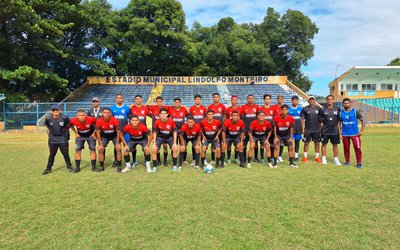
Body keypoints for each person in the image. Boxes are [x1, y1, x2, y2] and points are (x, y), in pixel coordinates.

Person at [42, 104, 73, 175]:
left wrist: (64, 134)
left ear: (60, 110)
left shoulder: (65, 118)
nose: (55, 111)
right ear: (51, 111)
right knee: (52, 154)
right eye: (53, 110)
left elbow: (68, 126)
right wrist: (52, 133)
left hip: (62, 138)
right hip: (52, 139)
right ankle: (48, 168)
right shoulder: (48, 118)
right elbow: (48, 126)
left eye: (57, 110)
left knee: (65, 153)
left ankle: (69, 166)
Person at [95, 108, 122, 172]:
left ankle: (119, 166)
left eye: (108, 113)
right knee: (100, 149)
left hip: (114, 136)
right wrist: (100, 144)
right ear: (102, 113)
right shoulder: (99, 121)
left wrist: (118, 143)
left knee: (118, 148)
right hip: (104, 136)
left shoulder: (115, 120)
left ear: (110, 113)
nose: (106, 114)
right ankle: (101, 166)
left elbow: (118, 132)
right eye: (105, 113)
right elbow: (98, 133)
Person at [340, 98, 365, 168]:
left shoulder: (354, 111)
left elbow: (363, 120)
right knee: (346, 148)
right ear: (343, 104)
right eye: (344, 103)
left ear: (350, 103)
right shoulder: (341, 112)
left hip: (355, 134)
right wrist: (340, 133)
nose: (346, 104)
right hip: (345, 134)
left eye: (347, 103)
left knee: (357, 148)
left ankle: (359, 162)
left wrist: (362, 130)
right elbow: (339, 123)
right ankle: (347, 161)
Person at [152, 108, 178, 172]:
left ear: (167, 114)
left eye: (165, 113)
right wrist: (154, 143)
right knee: (154, 149)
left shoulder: (171, 121)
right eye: (162, 113)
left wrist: (175, 143)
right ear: (159, 115)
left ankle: (174, 165)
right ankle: (154, 166)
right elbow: (154, 132)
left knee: (175, 148)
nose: (163, 115)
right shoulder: (157, 122)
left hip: (169, 138)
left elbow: (175, 132)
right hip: (160, 138)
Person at [148, 96, 171, 166]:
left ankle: (165, 160)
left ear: (162, 102)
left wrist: (185, 107)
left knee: (165, 146)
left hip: (164, 130)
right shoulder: (152, 107)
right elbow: (144, 106)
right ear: (156, 102)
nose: (159, 103)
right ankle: (158, 161)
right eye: (157, 101)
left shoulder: (166, 108)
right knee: (156, 147)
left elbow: (175, 106)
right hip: (155, 131)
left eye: (160, 101)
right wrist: (132, 105)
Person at [319, 95, 342, 166]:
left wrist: (340, 132)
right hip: (325, 131)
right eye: (328, 99)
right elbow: (319, 120)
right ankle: (323, 158)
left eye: (331, 99)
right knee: (324, 144)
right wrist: (320, 129)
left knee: (335, 145)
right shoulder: (322, 109)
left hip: (334, 131)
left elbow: (339, 122)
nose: (329, 100)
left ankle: (336, 159)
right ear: (326, 100)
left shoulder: (337, 109)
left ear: (333, 100)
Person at [110, 94, 131, 168]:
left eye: (120, 98)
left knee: (127, 146)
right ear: (116, 99)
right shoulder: (112, 108)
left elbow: (130, 117)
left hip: (125, 131)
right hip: (116, 132)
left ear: (122, 99)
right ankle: (116, 161)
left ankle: (127, 162)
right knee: (117, 147)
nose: (119, 99)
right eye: (118, 98)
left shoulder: (127, 108)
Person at [130, 94, 150, 165]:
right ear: (135, 100)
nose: (138, 100)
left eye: (139, 99)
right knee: (133, 147)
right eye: (137, 99)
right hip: (133, 131)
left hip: (143, 132)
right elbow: (128, 116)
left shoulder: (145, 108)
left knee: (145, 148)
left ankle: (145, 161)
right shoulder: (132, 108)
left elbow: (152, 115)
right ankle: (134, 161)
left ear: (141, 100)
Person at [301, 96, 321, 163]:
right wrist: (303, 128)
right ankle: (305, 157)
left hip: (316, 129)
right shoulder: (305, 109)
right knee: (306, 143)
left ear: (315, 101)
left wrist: (321, 127)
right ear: (308, 101)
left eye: (313, 100)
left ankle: (317, 157)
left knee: (317, 143)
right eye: (310, 100)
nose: (312, 101)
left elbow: (321, 119)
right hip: (307, 129)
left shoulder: (318, 108)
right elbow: (302, 119)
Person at [207, 93, 226, 164]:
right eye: (214, 97)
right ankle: (213, 160)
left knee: (220, 143)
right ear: (213, 98)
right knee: (213, 143)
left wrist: (222, 123)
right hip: (212, 129)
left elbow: (224, 115)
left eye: (217, 97)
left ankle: (221, 159)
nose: (216, 98)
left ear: (219, 98)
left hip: (220, 128)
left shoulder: (222, 106)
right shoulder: (210, 107)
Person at [169, 97, 188, 163]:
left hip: (182, 131)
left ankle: (184, 160)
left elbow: (188, 115)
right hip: (173, 131)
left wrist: (185, 107)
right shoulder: (171, 110)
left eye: (178, 102)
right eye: (176, 102)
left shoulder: (183, 109)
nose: (177, 104)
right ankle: (173, 159)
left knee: (183, 145)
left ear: (180, 103)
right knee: (174, 145)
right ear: (174, 103)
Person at [241, 94, 260, 162]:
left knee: (255, 144)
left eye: (252, 98)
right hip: (246, 129)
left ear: (253, 99)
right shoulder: (243, 107)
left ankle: (255, 157)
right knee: (244, 144)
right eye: (249, 98)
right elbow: (241, 119)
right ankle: (244, 158)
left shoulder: (257, 107)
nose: (250, 99)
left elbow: (259, 118)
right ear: (247, 99)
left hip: (254, 130)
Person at [259, 94, 276, 165]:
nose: (267, 100)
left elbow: (274, 119)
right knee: (263, 144)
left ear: (270, 100)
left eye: (268, 99)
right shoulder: (261, 109)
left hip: (271, 130)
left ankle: (271, 157)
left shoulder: (273, 109)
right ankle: (262, 158)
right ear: (264, 100)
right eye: (266, 99)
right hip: (263, 130)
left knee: (272, 144)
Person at [225, 95, 243, 164]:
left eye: (235, 100)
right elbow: (225, 118)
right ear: (231, 101)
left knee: (237, 146)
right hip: (229, 130)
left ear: (237, 101)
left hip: (237, 131)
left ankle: (236, 158)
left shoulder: (240, 109)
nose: (234, 101)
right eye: (233, 100)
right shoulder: (228, 109)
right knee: (229, 145)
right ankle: (228, 158)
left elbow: (241, 119)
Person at [288, 95, 303, 161]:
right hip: (291, 130)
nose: (295, 101)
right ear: (291, 101)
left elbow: (302, 120)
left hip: (298, 129)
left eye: (296, 100)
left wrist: (302, 129)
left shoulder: (300, 109)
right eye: (294, 100)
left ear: (298, 101)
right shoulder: (288, 109)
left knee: (297, 143)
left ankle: (296, 156)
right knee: (290, 143)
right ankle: (290, 156)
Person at [272, 95, 285, 162]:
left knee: (282, 142)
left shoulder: (284, 107)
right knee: (276, 142)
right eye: (279, 99)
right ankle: (275, 156)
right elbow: (273, 117)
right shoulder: (274, 107)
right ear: (277, 99)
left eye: (281, 99)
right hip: (276, 127)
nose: (280, 100)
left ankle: (280, 156)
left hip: (283, 127)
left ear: (283, 100)